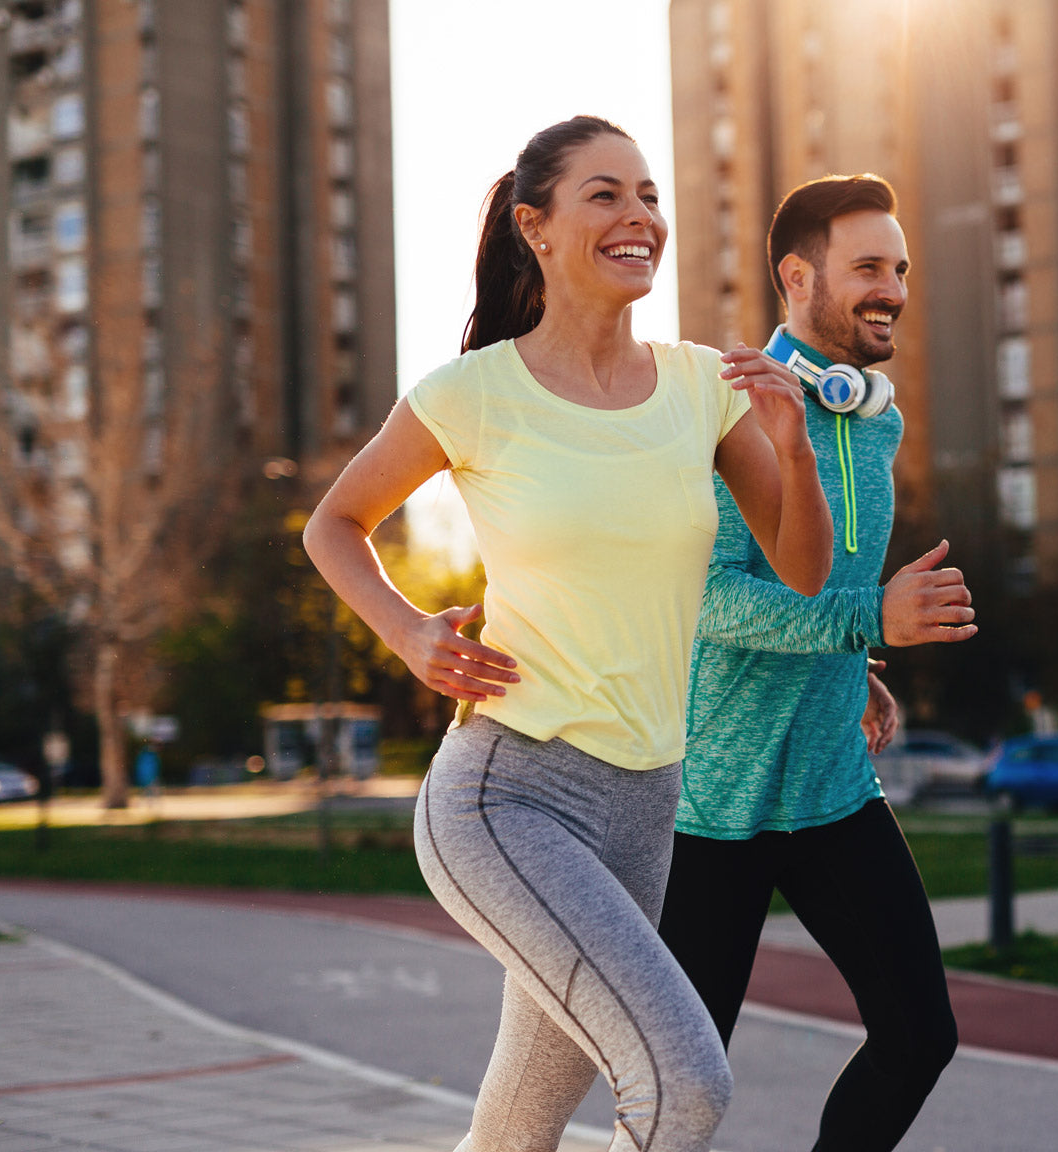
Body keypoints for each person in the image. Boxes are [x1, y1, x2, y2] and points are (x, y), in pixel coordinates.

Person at [303, 117, 832, 1152]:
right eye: (605, 195)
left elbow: (800, 569)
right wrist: (411, 636)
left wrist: (796, 453)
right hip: (509, 796)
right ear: (534, 228)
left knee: (519, 1126)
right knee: (683, 1085)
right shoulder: (473, 393)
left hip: (645, 803)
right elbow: (335, 523)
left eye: (648, 195)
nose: (640, 216)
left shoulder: (699, 389)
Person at [658, 174, 976, 1152]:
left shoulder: (879, 418)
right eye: (869, 268)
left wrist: (860, 661)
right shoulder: (725, 407)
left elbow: (820, 583)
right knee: (685, 1086)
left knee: (921, 1035)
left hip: (834, 786)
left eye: (902, 269)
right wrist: (865, 619)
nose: (894, 288)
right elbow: (707, 600)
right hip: (713, 802)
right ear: (799, 276)